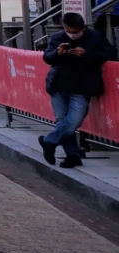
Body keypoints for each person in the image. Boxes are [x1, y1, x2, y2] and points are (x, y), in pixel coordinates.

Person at [40, 12, 116, 168]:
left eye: (76, 32)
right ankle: (72, 155)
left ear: (82, 28)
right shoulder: (57, 38)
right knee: (62, 122)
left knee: (73, 121)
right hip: (58, 86)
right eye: (70, 31)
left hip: (82, 87)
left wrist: (87, 54)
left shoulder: (94, 36)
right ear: (64, 27)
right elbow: (47, 57)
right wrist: (58, 53)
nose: (73, 35)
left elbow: (110, 54)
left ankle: (49, 141)